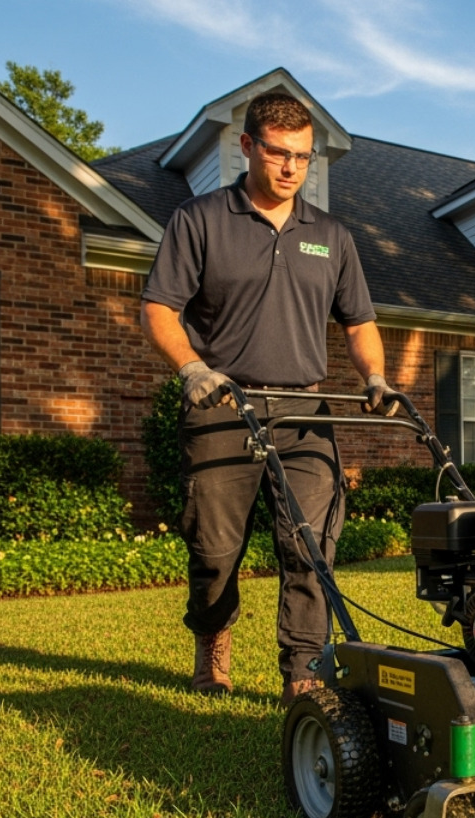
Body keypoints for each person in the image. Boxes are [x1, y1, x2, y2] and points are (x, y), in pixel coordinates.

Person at [140, 92, 393, 707]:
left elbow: (359, 323)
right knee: (213, 547)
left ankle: (304, 668)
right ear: (248, 146)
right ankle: (213, 635)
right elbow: (158, 308)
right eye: (279, 154)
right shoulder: (200, 220)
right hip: (222, 406)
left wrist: (375, 377)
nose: (291, 169)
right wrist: (192, 368)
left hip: (305, 411)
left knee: (310, 542)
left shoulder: (330, 236)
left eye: (303, 158)